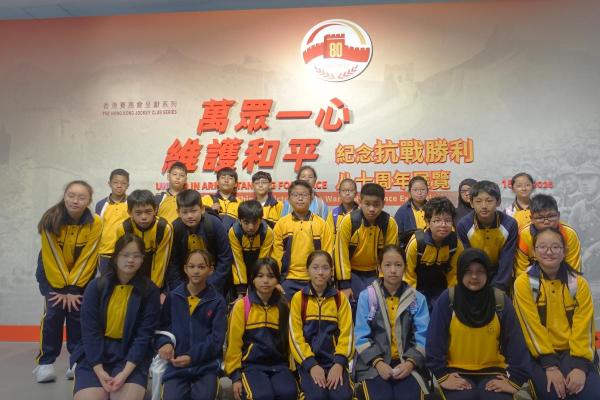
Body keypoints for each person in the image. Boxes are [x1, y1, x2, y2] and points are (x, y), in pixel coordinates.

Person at [426, 248, 532, 399]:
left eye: (480, 271)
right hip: (455, 371)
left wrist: (515, 381)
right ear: (460, 272)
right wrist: (442, 376)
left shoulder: (500, 301)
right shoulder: (448, 299)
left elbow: (516, 343)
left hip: (494, 372)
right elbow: (434, 341)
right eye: (468, 271)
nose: (474, 276)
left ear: (488, 273)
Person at [513, 227, 600, 399]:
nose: (549, 252)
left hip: (573, 351)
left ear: (564, 251)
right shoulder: (524, 283)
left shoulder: (578, 283)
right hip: (538, 355)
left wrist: (580, 366)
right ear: (534, 252)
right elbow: (531, 328)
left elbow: (584, 327)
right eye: (542, 247)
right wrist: (550, 366)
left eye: (555, 247)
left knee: (590, 393)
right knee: (554, 394)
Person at [71, 234, 160, 400]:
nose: (130, 260)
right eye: (125, 255)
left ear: (142, 259)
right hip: (96, 354)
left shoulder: (150, 291)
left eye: (136, 256)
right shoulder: (95, 287)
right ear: (116, 257)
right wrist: (99, 371)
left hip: (130, 356)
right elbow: (90, 333)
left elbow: (143, 336)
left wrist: (124, 373)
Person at [34, 180, 102, 383]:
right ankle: (45, 363)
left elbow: (88, 256)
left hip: (80, 279)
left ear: (89, 200)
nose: (75, 201)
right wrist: (62, 289)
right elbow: (52, 256)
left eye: (82, 197)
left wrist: (73, 289)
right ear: (64, 196)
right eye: (71, 195)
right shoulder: (50, 219)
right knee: (52, 316)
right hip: (51, 275)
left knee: (77, 317)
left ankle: (76, 361)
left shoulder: (96, 222)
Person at [354, 245, 431, 399]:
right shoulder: (367, 297)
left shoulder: (417, 299)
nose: (393, 270)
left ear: (405, 267)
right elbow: (361, 336)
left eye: (398, 265)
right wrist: (378, 363)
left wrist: (410, 363)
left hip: (408, 362)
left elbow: (423, 336)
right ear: (379, 267)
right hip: (373, 365)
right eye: (388, 265)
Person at [157, 250, 227, 400]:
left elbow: (216, 340)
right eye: (192, 266)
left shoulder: (217, 301)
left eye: (201, 267)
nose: (196, 271)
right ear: (185, 269)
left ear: (211, 270)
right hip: (176, 366)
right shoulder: (173, 297)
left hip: (206, 366)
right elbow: (163, 328)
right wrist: (165, 343)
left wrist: (191, 356)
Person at [224, 258, 298, 400]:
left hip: (279, 365)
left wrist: (293, 370)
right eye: (260, 276)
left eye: (271, 276)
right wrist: (235, 376)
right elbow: (233, 345)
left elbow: (290, 342)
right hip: (251, 366)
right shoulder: (242, 306)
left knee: (289, 393)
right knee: (261, 396)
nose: (265, 281)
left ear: (277, 280)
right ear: (253, 279)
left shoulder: (284, 306)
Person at [289, 251, 354, 400]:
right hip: (308, 362)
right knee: (316, 396)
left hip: (334, 362)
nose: (320, 272)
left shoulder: (340, 299)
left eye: (325, 268)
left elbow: (347, 335)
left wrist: (339, 364)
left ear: (331, 271)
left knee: (342, 397)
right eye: (315, 267)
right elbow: (295, 337)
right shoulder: (298, 299)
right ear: (307, 270)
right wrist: (311, 365)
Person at [335, 183, 398, 306]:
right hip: (352, 272)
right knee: (356, 302)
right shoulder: (349, 221)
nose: (372, 209)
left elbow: (390, 256)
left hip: (376, 272)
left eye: (376, 205)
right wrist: (345, 285)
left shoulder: (389, 223)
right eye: (367, 204)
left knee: (377, 301)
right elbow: (340, 254)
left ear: (383, 204)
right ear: (360, 202)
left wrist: (385, 281)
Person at [272, 180, 333, 301]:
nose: (300, 198)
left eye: (304, 195)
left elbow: (328, 253)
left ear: (311, 198)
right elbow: (276, 255)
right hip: (288, 280)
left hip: (315, 279)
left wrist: (328, 279)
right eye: (295, 195)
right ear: (289, 199)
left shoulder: (321, 224)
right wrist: (275, 280)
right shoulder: (281, 224)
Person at [456, 180, 518, 292]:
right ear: (471, 203)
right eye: (478, 201)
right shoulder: (464, 225)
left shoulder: (510, 224)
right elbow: (467, 259)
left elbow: (507, 260)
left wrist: (498, 287)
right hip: (474, 274)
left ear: (498, 202)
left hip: (500, 274)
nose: (484, 206)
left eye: (489, 201)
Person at [167, 189, 232, 294]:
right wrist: (180, 290)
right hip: (185, 281)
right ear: (178, 213)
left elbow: (225, 257)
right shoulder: (175, 228)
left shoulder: (214, 224)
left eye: (193, 211)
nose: (189, 216)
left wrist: (212, 284)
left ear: (202, 209)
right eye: (185, 212)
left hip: (213, 280)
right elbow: (172, 264)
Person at [404, 196, 463, 309]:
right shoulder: (417, 243)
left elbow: (454, 274)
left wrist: (452, 298)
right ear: (427, 221)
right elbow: (408, 274)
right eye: (437, 220)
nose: (443, 225)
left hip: (441, 287)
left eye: (447, 220)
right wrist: (411, 300)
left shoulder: (455, 244)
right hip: (418, 286)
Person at [114, 189, 173, 290]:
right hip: (131, 272)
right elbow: (123, 260)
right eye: (138, 213)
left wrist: (154, 290)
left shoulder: (164, 228)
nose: (144, 217)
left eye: (148, 211)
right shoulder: (123, 228)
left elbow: (161, 262)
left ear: (155, 210)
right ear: (130, 212)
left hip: (155, 272)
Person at [514, 194, 582, 278]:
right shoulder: (523, 235)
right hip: (533, 278)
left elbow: (573, 270)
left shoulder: (569, 234)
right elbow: (521, 271)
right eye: (540, 218)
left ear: (558, 215)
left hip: (561, 277)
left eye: (551, 216)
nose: (546, 222)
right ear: (532, 219)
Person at [229, 200, 274, 297]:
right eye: (246, 222)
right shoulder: (234, 232)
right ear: (239, 220)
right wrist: (241, 291)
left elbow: (262, 261)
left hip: (258, 265)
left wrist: (257, 285)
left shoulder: (267, 232)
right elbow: (237, 261)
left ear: (261, 220)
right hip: (240, 268)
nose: (250, 227)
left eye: (255, 222)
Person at [96, 169, 130, 273]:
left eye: (123, 183)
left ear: (128, 185)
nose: (119, 186)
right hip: (105, 253)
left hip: (126, 252)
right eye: (115, 182)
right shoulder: (101, 205)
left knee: (125, 281)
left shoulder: (132, 203)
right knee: (106, 281)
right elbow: (97, 229)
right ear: (109, 183)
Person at [394, 176, 428, 249]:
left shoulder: (433, 209)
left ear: (427, 191)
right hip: (409, 249)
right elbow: (397, 236)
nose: (419, 193)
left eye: (423, 189)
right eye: (415, 190)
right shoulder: (402, 211)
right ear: (409, 192)